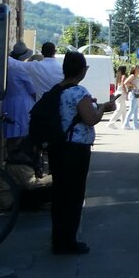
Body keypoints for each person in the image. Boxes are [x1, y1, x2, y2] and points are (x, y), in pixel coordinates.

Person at [51, 50, 115, 254]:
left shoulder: (57, 90)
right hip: (75, 150)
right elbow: (91, 119)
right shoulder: (78, 93)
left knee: (60, 195)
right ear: (81, 70)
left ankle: (58, 238)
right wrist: (103, 107)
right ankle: (68, 241)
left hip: (58, 147)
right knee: (74, 195)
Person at [3, 43, 38, 160]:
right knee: (22, 134)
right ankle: (21, 162)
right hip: (23, 103)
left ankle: (11, 160)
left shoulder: (6, 66)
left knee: (11, 134)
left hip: (7, 102)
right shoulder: (20, 68)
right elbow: (32, 89)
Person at [121, 65, 139, 130]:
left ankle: (136, 124)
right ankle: (126, 124)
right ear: (134, 70)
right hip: (133, 93)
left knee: (135, 110)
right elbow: (125, 82)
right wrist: (133, 85)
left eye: (138, 68)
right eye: (137, 68)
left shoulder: (136, 76)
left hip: (136, 94)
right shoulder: (132, 76)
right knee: (131, 109)